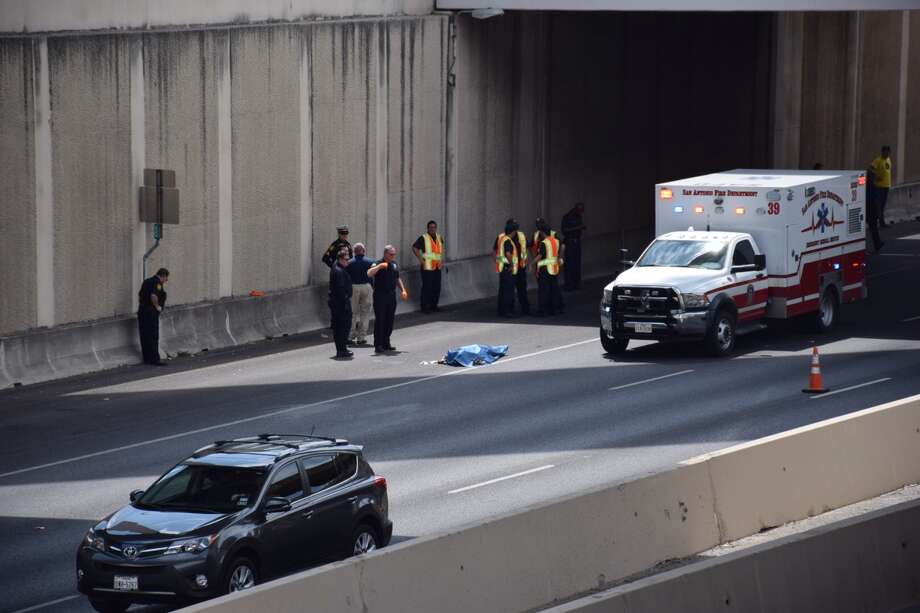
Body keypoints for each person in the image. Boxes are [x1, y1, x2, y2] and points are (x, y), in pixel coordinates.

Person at [367, 245, 408, 353]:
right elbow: (369, 273)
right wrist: (380, 266)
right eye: (391, 254)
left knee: (389, 320)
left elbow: (397, 278)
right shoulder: (378, 263)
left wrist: (403, 289)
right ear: (385, 254)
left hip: (391, 295)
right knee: (380, 320)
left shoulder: (394, 264)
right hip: (380, 296)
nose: (393, 256)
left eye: (394, 254)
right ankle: (378, 344)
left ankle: (386, 342)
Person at [137, 268, 169, 366]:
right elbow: (154, 296)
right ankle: (154, 359)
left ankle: (147, 358)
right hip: (151, 312)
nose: (166, 281)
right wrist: (157, 307)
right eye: (166, 278)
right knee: (153, 335)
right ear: (163, 276)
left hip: (142, 311)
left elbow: (139, 296)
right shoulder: (157, 283)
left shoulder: (147, 281)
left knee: (144, 335)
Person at [412, 221, 444, 313]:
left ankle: (434, 305)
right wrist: (421, 260)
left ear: (436, 228)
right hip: (427, 267)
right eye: (430, 227)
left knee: (436, 287)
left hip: (437, 267)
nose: (432, 229)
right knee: (427, 287)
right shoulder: (423, 238)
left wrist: (441, 261)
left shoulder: (439, 237)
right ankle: (425, 307)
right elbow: (414, 248)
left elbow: (439, 251)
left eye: (434, 227)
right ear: (427, 228)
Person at [328, 249, 354, 359]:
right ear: (340, 259)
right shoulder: (338, 271)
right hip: (340, 304)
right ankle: (341, 349)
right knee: (342, 327)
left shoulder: (338, 268)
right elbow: (340, 289)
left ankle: (342, 348)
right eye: (346, 259)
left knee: (342, 327)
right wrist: (346, 302)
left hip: (339, 303)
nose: (348, 261)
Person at [346, 243, 373, 345]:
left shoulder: (349, 263)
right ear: (364, 251)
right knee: (365, 312)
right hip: (366, 286)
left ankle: (350, 335)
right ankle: (361, 337)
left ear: (354, 252)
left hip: (353, 287)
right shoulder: (370, 262)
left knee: (352, 312)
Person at [534, 227, 564, 316]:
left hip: (545, 269)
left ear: (543, 233)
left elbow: (540, 255)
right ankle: (556, 308)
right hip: (554, 268)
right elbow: (560, 250)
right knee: (554, 288)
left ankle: (543, 310)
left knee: (544, 289)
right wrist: (560, 259)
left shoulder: (544, 243)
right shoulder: (556, 241)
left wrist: (532, 263)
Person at [493, 219, 519, 318]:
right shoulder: (508, 241)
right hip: (508, 268)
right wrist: (512, 265)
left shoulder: (502, 239)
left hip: (502, 268)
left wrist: (496, 261)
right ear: (513, 231)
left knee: (503, 290)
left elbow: (495, 252)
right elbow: (508, 254)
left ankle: (502, 310)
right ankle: (507, 311)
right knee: (508, 291)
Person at [561, 202, 586, 290]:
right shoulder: (567, 217)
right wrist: (578, 228)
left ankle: (576, 283)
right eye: (580, 211)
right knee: (569, 264)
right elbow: (564, 230)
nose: (581, 213)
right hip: (569, 242)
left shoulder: (578, 216)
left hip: (576, 242)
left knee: (577, 263)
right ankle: (569, 284)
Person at [869, 146, 892, 226]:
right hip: (879, 187)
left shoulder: (888, 160)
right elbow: (870, 169)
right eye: (884, 152)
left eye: (888, 152)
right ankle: (878, 222)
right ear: (882, 152)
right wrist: (875, 177)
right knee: (878, 205)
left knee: (882, 205)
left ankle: (881, 222)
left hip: (886, 186)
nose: (886, 154)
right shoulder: (877, 160)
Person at [511, 220, 530, 316]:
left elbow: (526, 248)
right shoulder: (506, 237)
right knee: (519, 289)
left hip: (518, 267)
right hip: (517, 267)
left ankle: (521, 308)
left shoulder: (506, 237)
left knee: (518, 289)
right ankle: (523, 308)